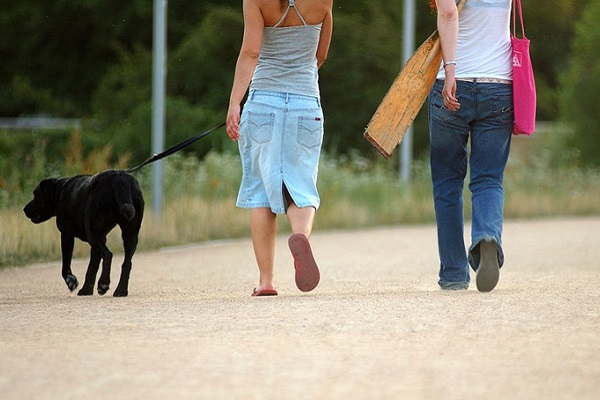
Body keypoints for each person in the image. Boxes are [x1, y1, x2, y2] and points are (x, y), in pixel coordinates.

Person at [226, 0, 333, 297]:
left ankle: (266, 281)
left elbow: (250, 52)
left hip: (263, 103)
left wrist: (235, 103)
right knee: (302, 186)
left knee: (261, 190)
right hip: (305, 103)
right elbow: (320, 54)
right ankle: (300, 237)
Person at [428, 0, 513, 292]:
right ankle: (487, 237)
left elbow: (449, 13)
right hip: (499, 84)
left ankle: (453, 273)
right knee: (488, 178)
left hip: (453, 84)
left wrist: (450, 71)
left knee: (447, 182)